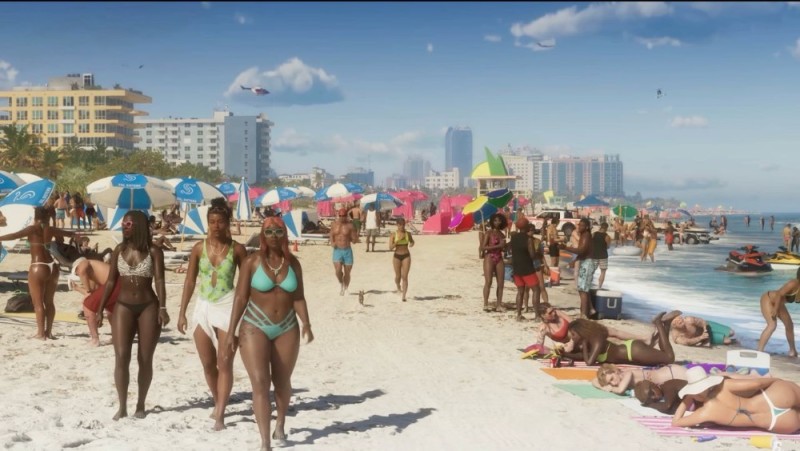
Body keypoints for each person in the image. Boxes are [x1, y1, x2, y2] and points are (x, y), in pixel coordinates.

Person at [224, 217, 313, 450]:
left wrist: (307, 323)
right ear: (263, 235)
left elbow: (299, 297)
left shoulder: (293, 264)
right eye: (269, 231)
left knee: (282, 382)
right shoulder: (251, 262)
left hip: (287, 326)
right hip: (254, 325)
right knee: (260, 383)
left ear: (285, 234)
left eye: (279, 231)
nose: (274, 235)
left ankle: (280, 423)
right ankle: (265, 441)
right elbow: (241, 297)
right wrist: (230, 330)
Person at [177, 198, 247, 430]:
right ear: (207, 223)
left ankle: (221, 413)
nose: (216, 226)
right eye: (212, 222)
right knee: (208, 363)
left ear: (228, 223)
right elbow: (189, 281)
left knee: (224, 361)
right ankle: (218, 401)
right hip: (203, 305)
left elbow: (247, 283)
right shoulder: (199, 248)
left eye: (220, 222)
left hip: (228, 305)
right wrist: (182, 312)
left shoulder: (238, 249)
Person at [96, 210, 168, 420]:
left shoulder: (154, 251)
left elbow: (161, 281)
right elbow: (110, 282)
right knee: (121, 357)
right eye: (123, 224)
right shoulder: (119, 249)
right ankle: (122, 406)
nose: (124, 227)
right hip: (123, 306)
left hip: (148, 306)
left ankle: (141, 404)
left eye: (128, 224)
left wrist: (163, 308)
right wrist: (100, 309)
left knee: (145, 358)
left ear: (138, 225)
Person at [0, 206, 77, 339]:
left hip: (38, 266)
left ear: (35, 216)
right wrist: (77, 237)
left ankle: (41, 334)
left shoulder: (32, 228)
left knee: (38, 303)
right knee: (49, 302)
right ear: (47, 217)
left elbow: (14, 235)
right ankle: (49, 332)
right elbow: (70, 234)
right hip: (53, 267)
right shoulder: (51, 229)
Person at [672, 367, 800, 434]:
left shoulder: (704, 414)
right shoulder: (725, 386)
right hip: (774, 396)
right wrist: (776, 380)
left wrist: (688, 397)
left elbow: (676, 422)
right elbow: (757, 383)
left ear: (692, 391)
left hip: (777, 422)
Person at [564, 311, 681, 367]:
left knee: (669, 358)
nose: (573, 338)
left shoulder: (596, 339)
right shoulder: (591, 342)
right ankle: (666, 324)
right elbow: (582, 357)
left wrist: (583, 345)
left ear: (581, 331)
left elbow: (589, 362)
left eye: (574, 334)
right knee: (663, 357)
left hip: (633, 351)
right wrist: (564, 354)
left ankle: (659, 323)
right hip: (632, 353)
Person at [757, 267, 800, 356]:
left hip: (778, 303)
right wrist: (775, 309)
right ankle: (759, 352)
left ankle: (792, 351)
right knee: (772, 325)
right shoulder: (794, 283)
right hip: (768, 298)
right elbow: (779, 294)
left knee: (789, 325)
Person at [562, 218, 595, 319]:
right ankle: (587, 311)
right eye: (578, 225)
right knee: (583, 289)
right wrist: (574, 261)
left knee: (583, 290)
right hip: (585, 262)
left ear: (587, 227)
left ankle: (584, 314)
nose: (579, 227)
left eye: (581, 225)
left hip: (587, 263)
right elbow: (583, 252)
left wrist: (565, 247)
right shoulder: (584, 235)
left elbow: (581, 250)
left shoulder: (586, 236)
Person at [594, 363, 689, 395]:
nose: (613, 383)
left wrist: (609, 388)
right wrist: (604, 386)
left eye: (612, 379)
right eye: (610, 383)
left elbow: (620, 390)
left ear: (615, 372)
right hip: (670, 376)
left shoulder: (628, 374)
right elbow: (594, 380)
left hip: (673, 374)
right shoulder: (621, 379)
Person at [509, 217, 538, 321]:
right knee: (535, 290)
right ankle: (537, 315)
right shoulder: (528, 239)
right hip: (527, 268)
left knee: (520, 291)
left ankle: (519, 314)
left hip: (517, 268)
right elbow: (532, 255)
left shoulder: (514, 238)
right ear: (527, 227)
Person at [481, 213, 507, 313]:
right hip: (489, 257)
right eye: (495, 220)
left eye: (499, 221)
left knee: (501, 283)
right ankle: (485, 304)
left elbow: (503, 248)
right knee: (488, 282)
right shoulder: (488, 233)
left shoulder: (502, 234)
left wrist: (506, 246)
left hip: (499, 258)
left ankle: (499, 304)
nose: (497, 222)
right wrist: (498, 246)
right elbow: (483, 247)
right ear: (492, 221)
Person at [330, 207, 358, 295]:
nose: (342, 217)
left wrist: (355, 238)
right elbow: (331, 234)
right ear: (338, 215)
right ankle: (341, 283)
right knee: (338, 271)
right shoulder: (334, 224)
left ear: (346, 216)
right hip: (337, 250)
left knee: (347, 272)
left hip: (347, 251)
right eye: (340, 215)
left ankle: (346, 287)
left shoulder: (350, 225)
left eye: (344, 215)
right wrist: (332, 242)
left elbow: (354, 240)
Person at [389, 217, 415, 302]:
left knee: (405, 276)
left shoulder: (408, 234)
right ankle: (398, 286)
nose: (402, 227)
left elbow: (412, 241)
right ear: (397, 225)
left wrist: (411, 244)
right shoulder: (393, 234)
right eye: (400, 225)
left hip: (406, 256)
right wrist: (397, 241)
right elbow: (390, 247)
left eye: (403, 225)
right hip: (397, 256)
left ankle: (404, 296)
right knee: (398, 276)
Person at [671, 314, 736, 347]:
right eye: (677, 322)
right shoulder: (678, 337)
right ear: (674, 326)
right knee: (728, 341)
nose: (680, 320)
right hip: (704, 337)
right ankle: (735, 341)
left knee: (731, 332)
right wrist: (701, 337)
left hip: (708, 326)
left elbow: (702, 321)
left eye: (680, 318)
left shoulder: (689, 320)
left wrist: (705, 329)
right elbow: (688, 342)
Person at [591, 222, 611, 290]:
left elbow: (590, 242)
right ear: (606, 228)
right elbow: (608, 246)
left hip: (594, 255)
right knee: (603, 272)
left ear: (600, 227)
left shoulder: (594, 234)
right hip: (603, 255)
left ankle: (588, 284)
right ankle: (599, 287)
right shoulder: (607, 236)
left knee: (591, 271)